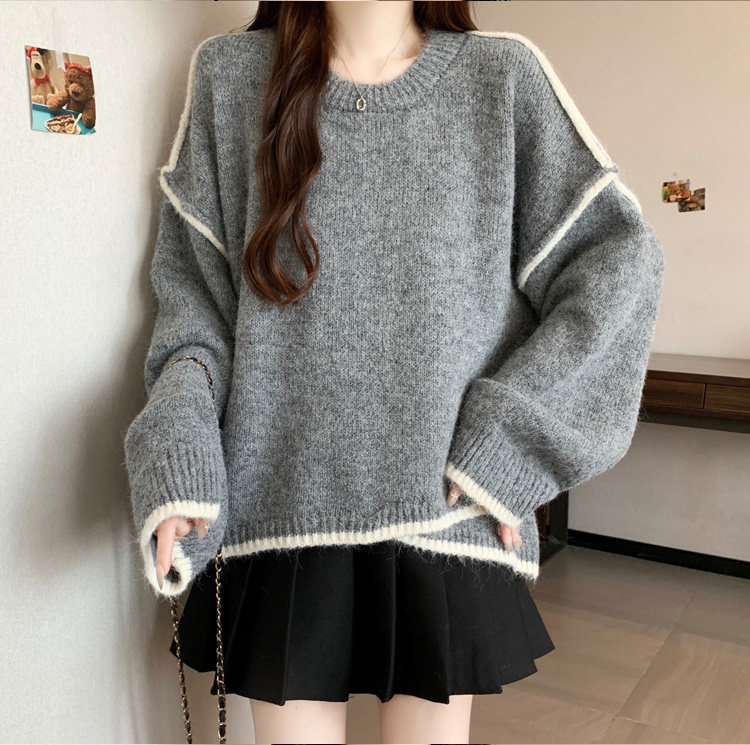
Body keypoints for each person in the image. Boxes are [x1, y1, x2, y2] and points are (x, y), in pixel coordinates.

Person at [123, 1, 665, 742]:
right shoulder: (230, 78)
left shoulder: (501, 78)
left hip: (445, 512)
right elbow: (197, 319)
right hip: (280, 515)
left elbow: (618, 264)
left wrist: (516, 441)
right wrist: (180, 449)